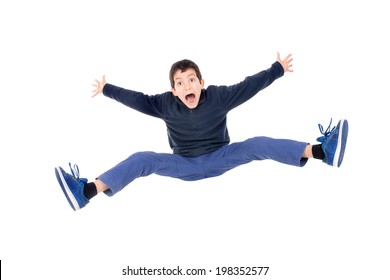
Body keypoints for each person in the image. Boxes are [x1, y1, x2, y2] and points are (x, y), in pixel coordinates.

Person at [55, 53, 349, 211]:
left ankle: (323, 152)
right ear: (173, 90)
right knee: (142, 157)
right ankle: (87, 192)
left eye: (192, 80)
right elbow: (137, 99)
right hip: (182, 164)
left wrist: (277, 69)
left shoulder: (218, 97)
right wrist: (108, 89)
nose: (187, 87)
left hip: (221, 156)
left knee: (256, 143)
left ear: (202, 83)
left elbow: (249, 86)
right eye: (180, 83)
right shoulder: (163, 104)